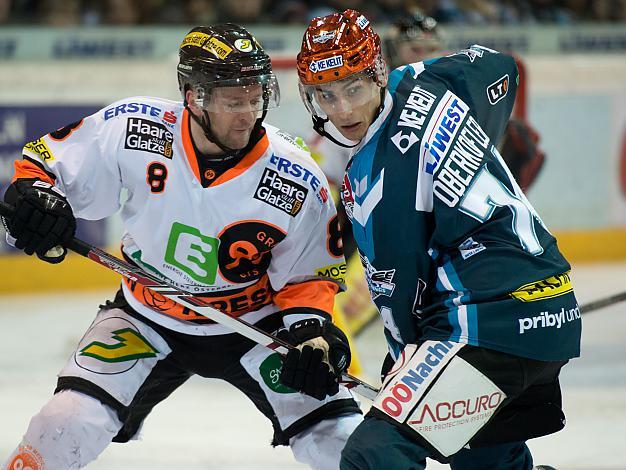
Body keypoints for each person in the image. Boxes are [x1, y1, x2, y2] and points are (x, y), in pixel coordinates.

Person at [2, 24, 363, 470]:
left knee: (342, 443)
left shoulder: (296, 175)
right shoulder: (133, 126)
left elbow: (309, 273)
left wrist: (311, 333)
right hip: (147, 314)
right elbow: (44, 164)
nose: (249, 114)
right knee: (62, 424)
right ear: (194, 96)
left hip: (254, 326)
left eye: (255, 97)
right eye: (234, 101)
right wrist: (34, 194)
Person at [293, 9, 581, 469]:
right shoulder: (429, 83)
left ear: (377, 74)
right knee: (482, 458)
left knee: (376, 454)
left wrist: (401, 374)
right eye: (326, 94)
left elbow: (401, 299)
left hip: (487, 331)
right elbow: (499, 69)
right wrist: (459, 156)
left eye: (353, 88)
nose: (342, 109)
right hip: (553, 310)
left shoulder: (381, 182)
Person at [385, 10, 546, 192]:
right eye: (415, 49)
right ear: (393, 51)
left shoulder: (455, 90)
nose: (425, 57)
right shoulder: (378, 95)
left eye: (432, 49)